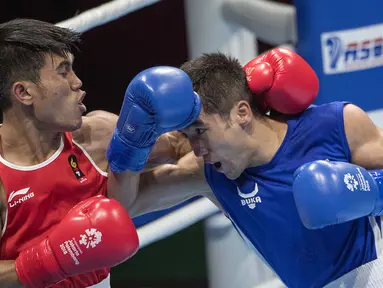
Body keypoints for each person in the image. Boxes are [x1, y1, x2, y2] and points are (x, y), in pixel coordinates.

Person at [111, 48, 383, 287]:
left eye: (201, 131)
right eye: (188, 137)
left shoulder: (334, 126)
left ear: (242, 113)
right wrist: (130, 146)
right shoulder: (210, 174)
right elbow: (126, 205)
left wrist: (373, 191)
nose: (196, 149)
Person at [0, 18, 191, 288]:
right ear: (23, 92)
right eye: (63, 72)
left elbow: (184, 147)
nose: (77, 83)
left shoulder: (96, 136)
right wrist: (50, 260)